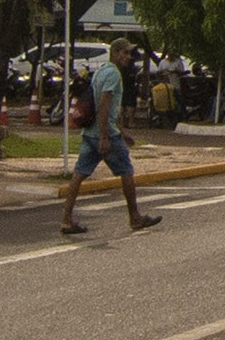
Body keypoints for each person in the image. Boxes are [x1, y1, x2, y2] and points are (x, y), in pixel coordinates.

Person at [59, 37, 165, 237]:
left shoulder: (100, 71)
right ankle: (135, 217)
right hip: (104, 134)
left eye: (129, 53)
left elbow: (108, 107)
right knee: (126, 172)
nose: (128, 57)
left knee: (79, 174)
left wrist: (122, 132)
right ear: (115, 53)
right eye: (124, 53)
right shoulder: (113, 74)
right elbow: (105, 104)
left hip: (91, 132)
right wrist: (106, 136)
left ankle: (66, 219)